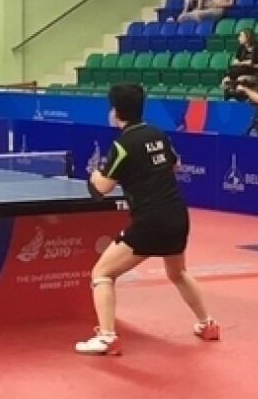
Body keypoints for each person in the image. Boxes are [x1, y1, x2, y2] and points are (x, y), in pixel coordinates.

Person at [75, 83, 219, 356]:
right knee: (178, 272)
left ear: (115, 111)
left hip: (150, 221)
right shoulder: (158, 134)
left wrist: (93, 175)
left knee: (101, 273)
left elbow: (102, 188)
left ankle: (106, 337)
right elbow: (175, 164)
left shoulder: (122, 145)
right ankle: (206, 323)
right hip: (177, 215)